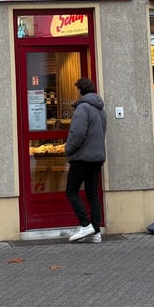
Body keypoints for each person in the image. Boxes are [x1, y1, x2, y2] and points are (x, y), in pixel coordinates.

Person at [65, 78, 108, 243]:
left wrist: (68, 149)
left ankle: (85, 224)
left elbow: (77, 133)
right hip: (97, 158)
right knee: (92, 195)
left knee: (71, 191)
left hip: (82, 157)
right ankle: (96, 232)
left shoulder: (83, 108)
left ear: (80, 91)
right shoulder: (100, 110)